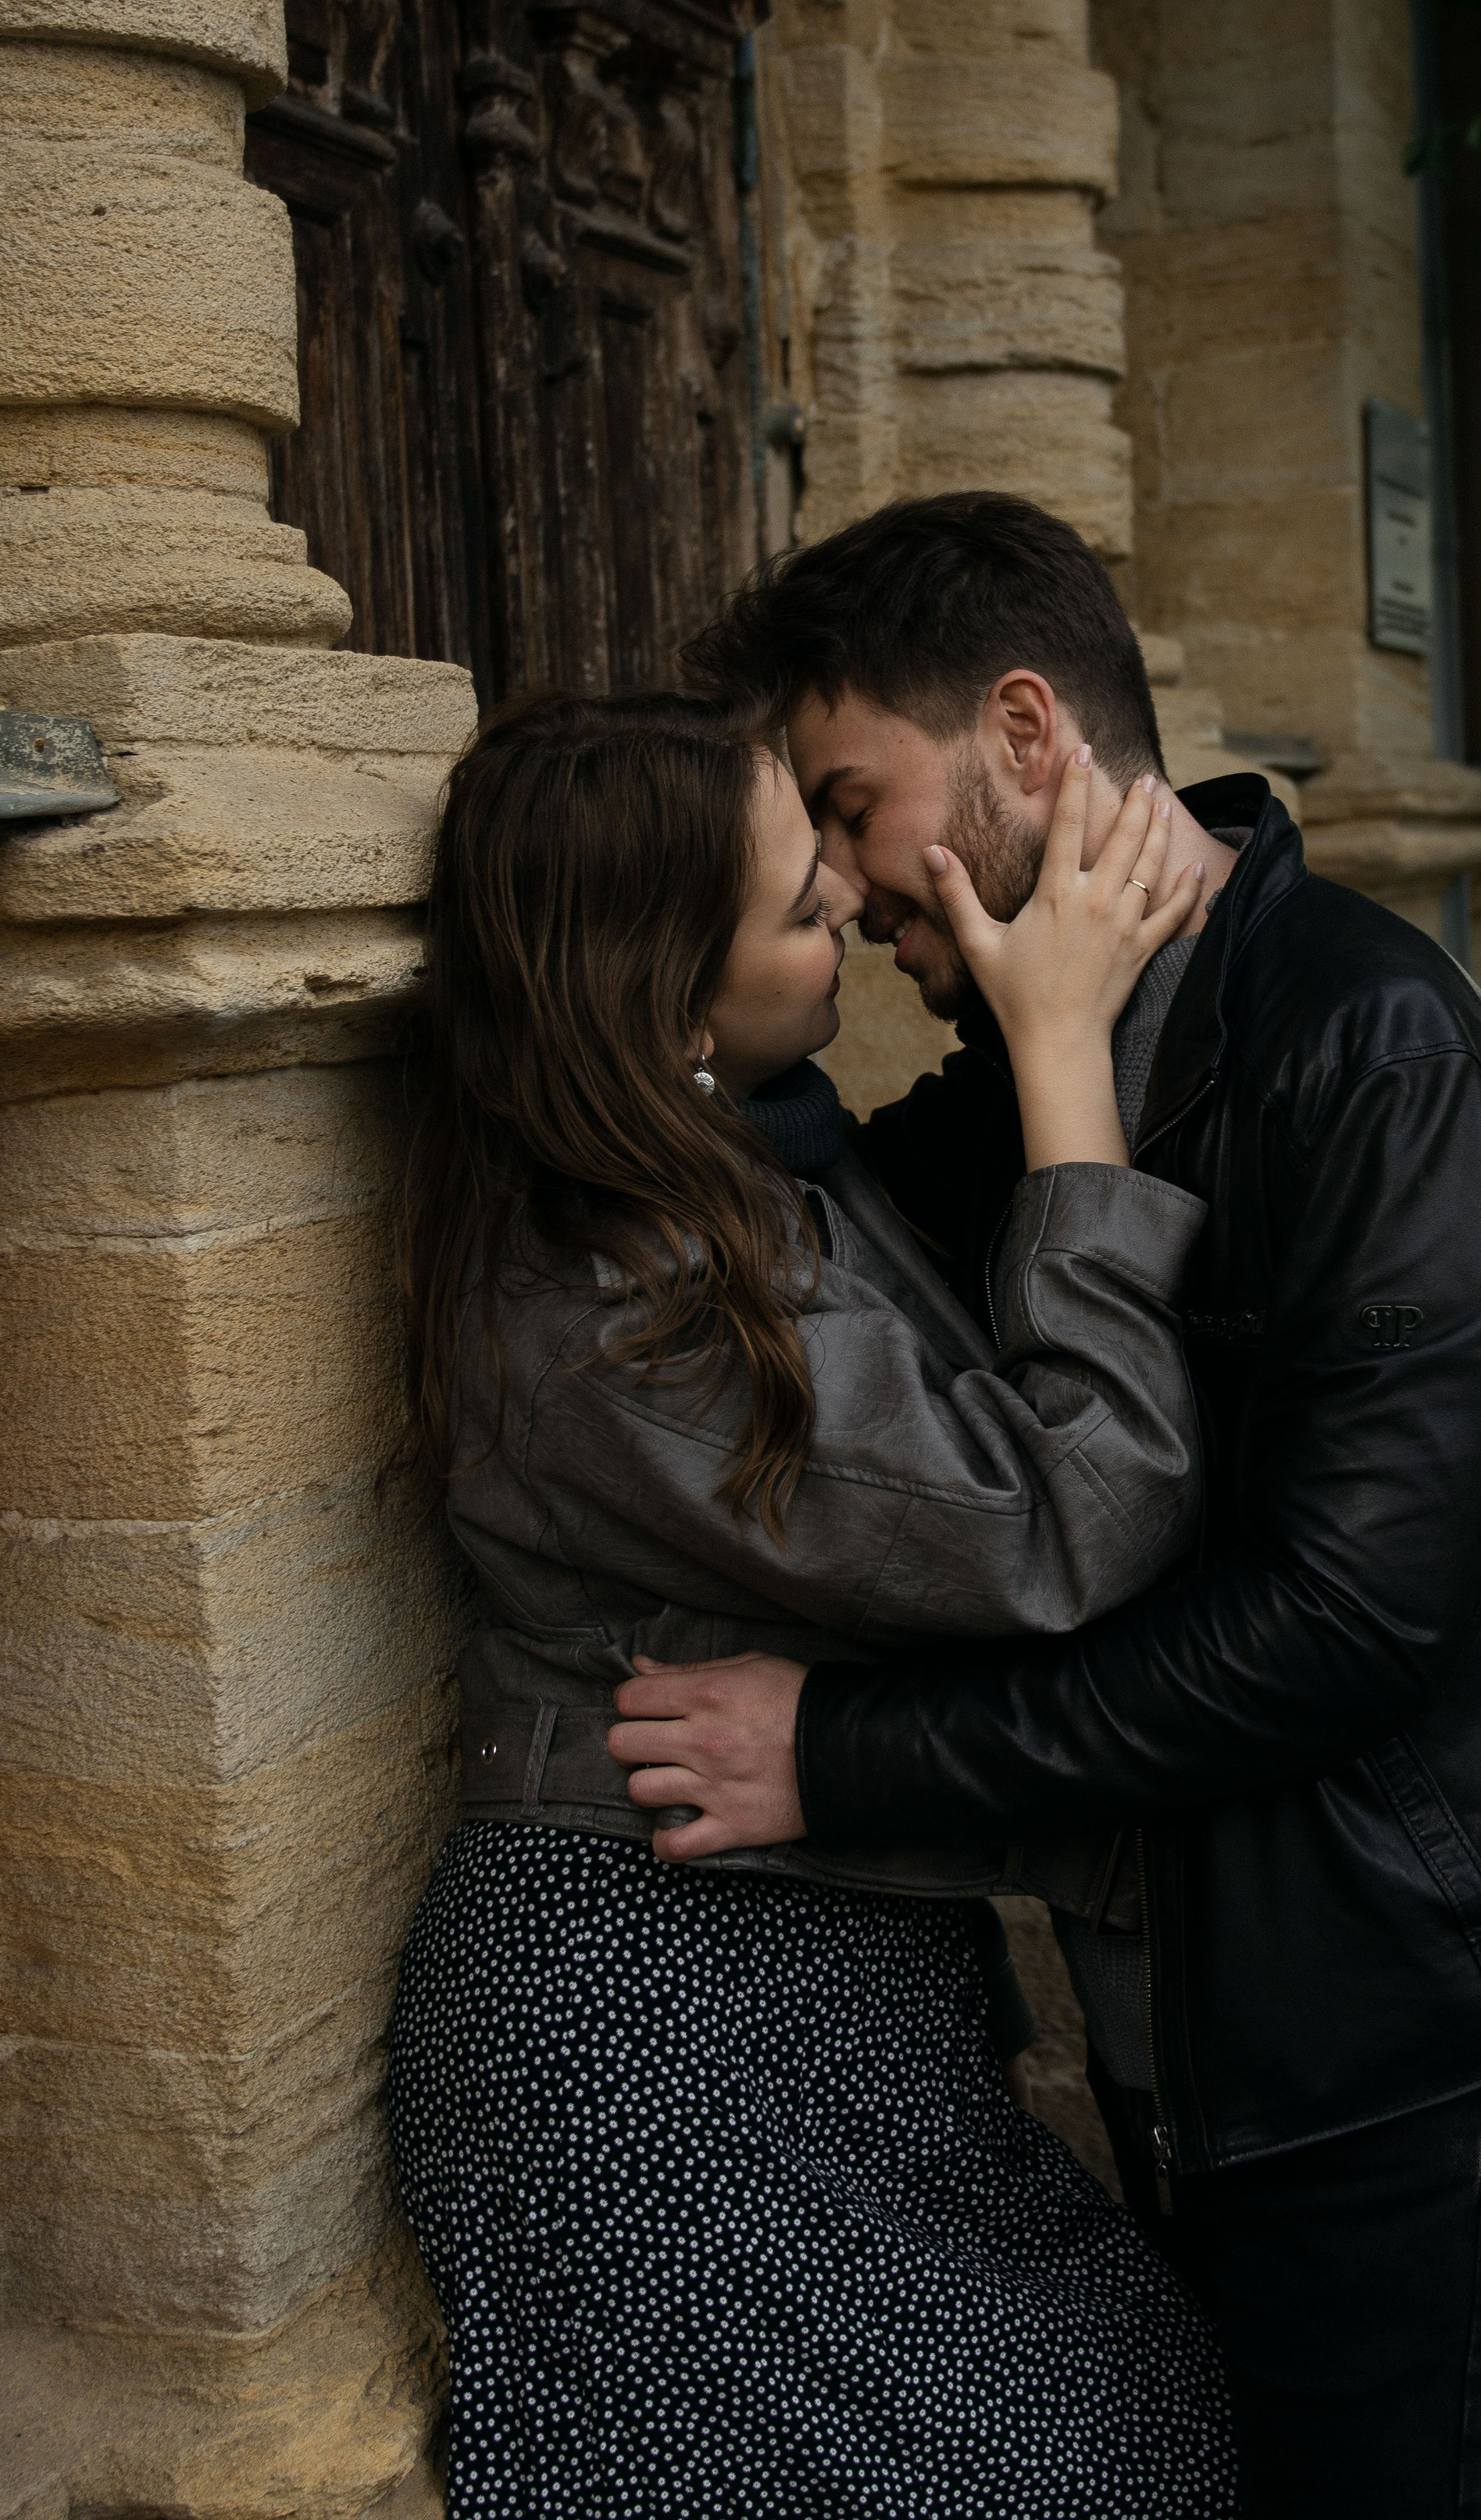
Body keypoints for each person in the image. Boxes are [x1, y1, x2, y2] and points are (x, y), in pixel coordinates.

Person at [608, 495, 1481, 2520]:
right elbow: (823, 1208)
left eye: (852, 807)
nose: (845, 885)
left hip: (1420, 2043)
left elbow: (1341, 1627)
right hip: (1219, 2020)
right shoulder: (1060, 1055)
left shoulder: (1373, 1057)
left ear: (1030, 735)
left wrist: (840, 1758)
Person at [387, 687, 1238, 2518]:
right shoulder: (618, 1312)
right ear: (666, 999)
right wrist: (1065, 1067)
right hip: (651, 2033)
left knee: (1133, 2437)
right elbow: (1065, 1519)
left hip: (802, 1989)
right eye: (794, 903)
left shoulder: (732, 1177)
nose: (845, 908)